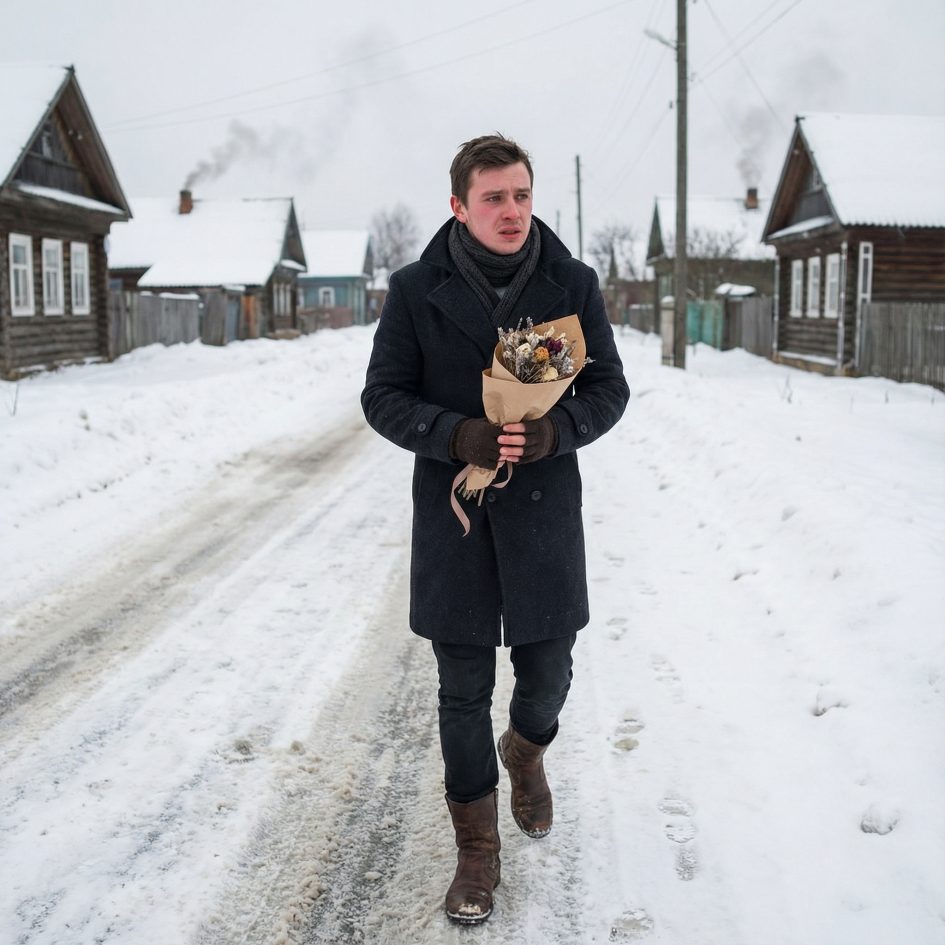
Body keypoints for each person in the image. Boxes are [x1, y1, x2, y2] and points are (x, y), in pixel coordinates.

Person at [361, 134, 629, 925]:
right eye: (493, 198)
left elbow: (610, 387)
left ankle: (526, 748)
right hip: (457, 519)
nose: (511, 212)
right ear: (458, 206)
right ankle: (476, 850)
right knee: (461, 688)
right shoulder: (415, 289)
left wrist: (555, 432)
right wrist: (454, 434)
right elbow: (382, 396)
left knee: (547, 673)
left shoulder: (571, 283)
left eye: (520, 195)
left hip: (543, 513)